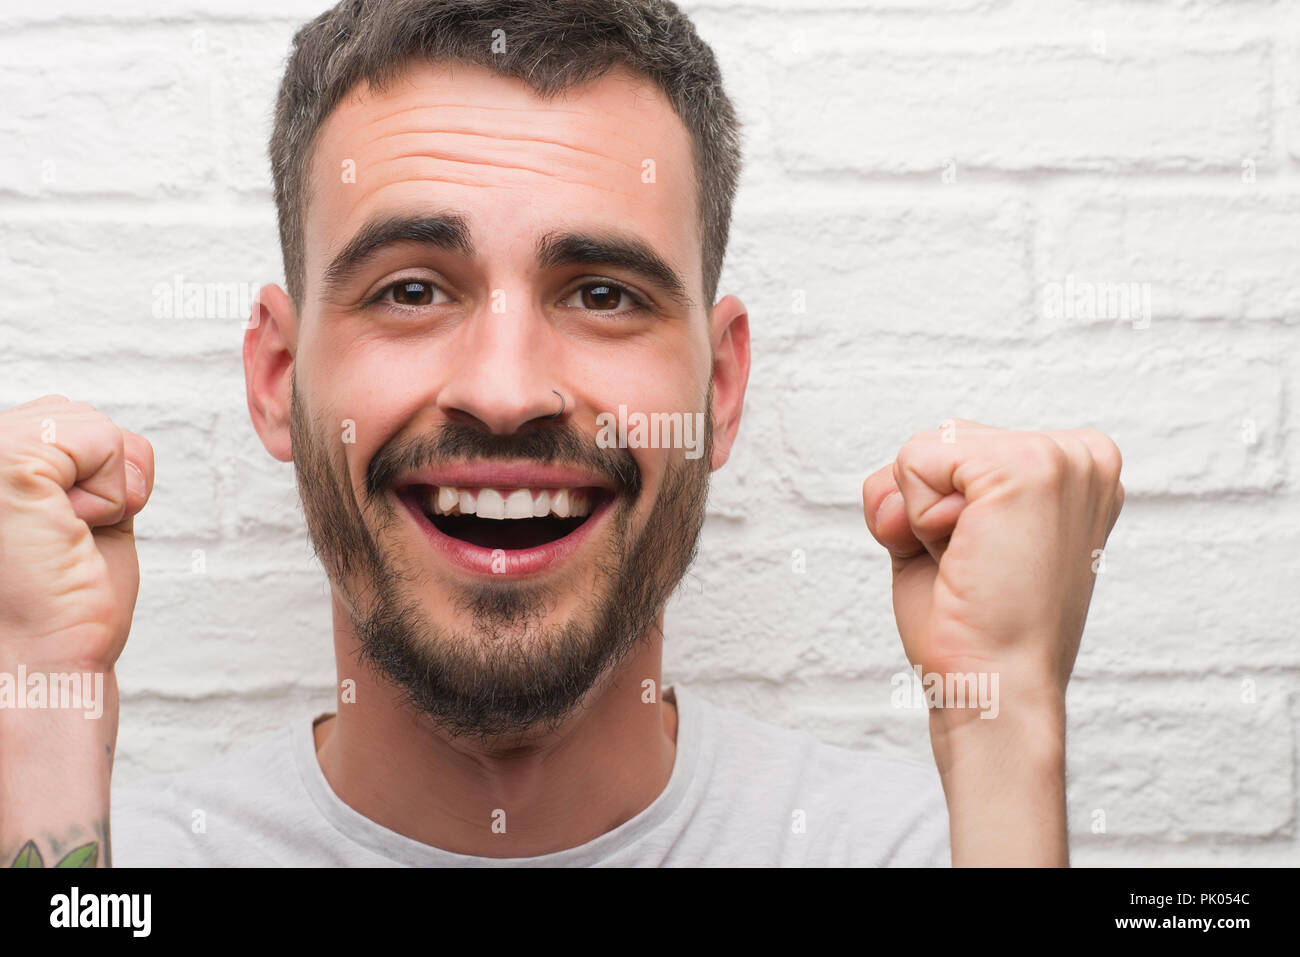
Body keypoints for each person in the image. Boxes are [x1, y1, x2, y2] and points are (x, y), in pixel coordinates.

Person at [0, 0, 1123, 868]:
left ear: (721, 388)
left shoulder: (941, 850)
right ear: (280, 377)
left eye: (600, 294)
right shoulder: (104, 863)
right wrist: (41, 696)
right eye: (409, 290)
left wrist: (1005, 716)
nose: (504, 391)